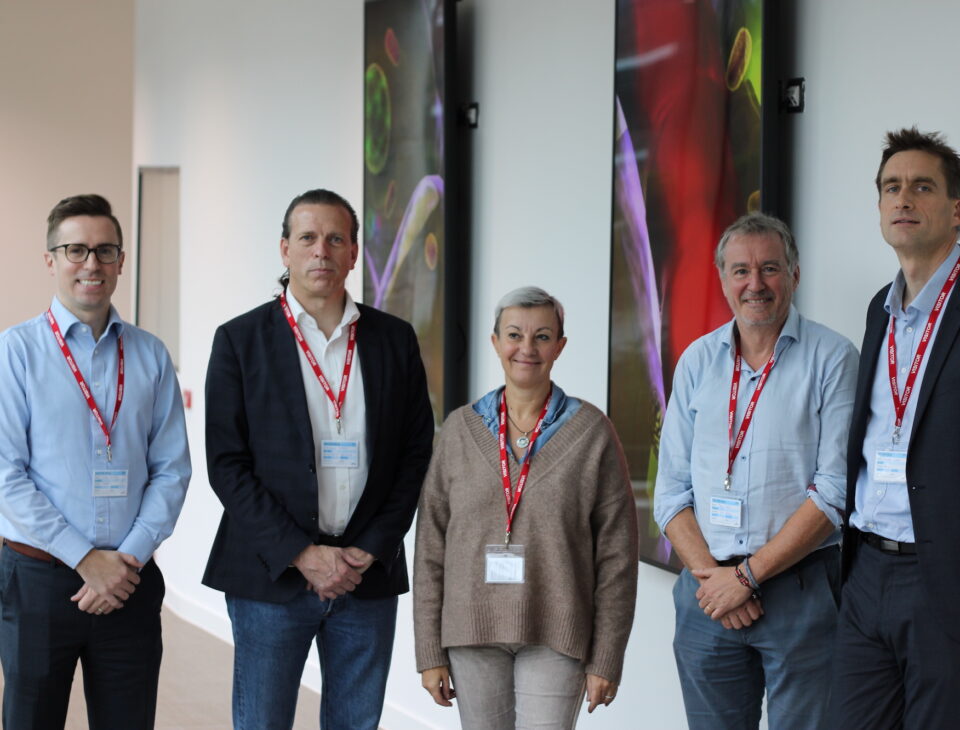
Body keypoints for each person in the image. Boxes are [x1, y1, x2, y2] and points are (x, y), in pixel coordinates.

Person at [203, 188, 433, 730]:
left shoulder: (394, 340)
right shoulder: (240, 340)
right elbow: (227, 465)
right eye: (307, 238)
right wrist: (303, 554)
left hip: (365, 579)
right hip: (271, 577)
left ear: (355, 253)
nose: (321, 251)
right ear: (284, 250)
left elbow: (414, 454)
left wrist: (367, 551)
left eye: (335, 239)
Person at [653, 212, 859, 729]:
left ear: (794, 273)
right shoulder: (697, 361)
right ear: (723, 279)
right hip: (707, 597)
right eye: (740, 270)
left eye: (770, 268)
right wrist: (716, 582)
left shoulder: (833, 359)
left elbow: (834, 491)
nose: (755, 284)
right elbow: (671, 492)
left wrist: (746, 577)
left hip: (802, 592)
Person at [0, 194, 191, 728]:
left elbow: (172, 469)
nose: (92, 264)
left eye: (105, 250)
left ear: (121, 260)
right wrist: (86, 559)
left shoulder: (150, 355)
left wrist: (125, 561)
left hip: (131, 582)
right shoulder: (14, 353)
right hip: (39, 580)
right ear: (51, 260)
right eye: (76, 249)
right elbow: (5, 476)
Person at [414, 286, 638, 730]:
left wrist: (607, 656)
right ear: (495, 343)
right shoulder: (460, 429)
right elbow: (430, 546)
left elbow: (617, 555)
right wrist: (428, 651)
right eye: (514, 335)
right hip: (471, 631)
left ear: (560, 346)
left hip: (557, 633)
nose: (527, 349)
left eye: (542, 336)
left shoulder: (592, 432)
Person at [830, 127, 960, 729]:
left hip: (942, 579)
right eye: (891, 187)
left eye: (922, 186)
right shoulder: (881, 306)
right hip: (866, 572)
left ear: (956, 208)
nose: (903, 198)